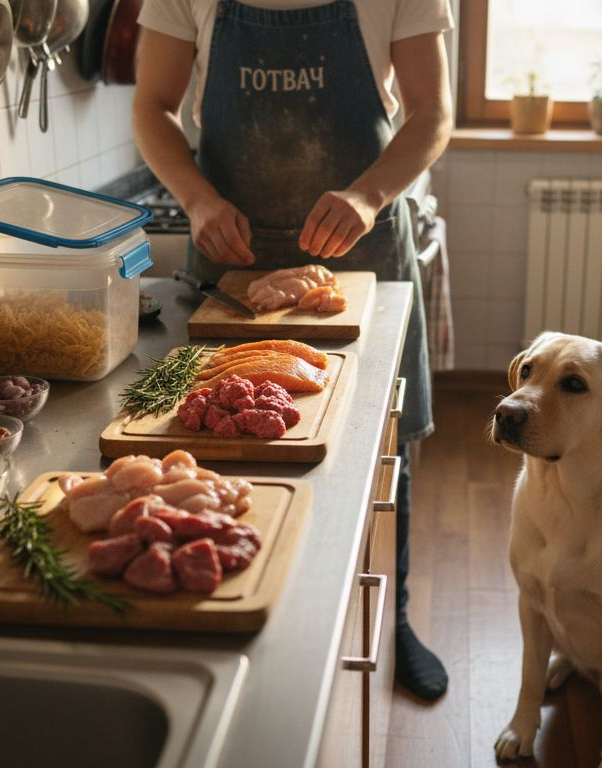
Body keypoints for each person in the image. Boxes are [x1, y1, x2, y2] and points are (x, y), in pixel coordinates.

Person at [133, 0, 454, 700]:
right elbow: (152, 106)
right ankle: (249, 607)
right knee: (221, 441)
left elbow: (432, 113)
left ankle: (390, 617)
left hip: (361, 252)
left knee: (379, 451)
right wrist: (195, 199)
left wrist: (370, 193)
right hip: (230, 258)